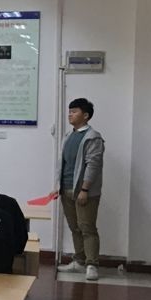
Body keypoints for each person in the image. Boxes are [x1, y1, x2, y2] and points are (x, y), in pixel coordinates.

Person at [50, 98, 105, 282]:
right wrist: (57, 187)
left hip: (84, 192)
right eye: (69, 111)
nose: (70, 114)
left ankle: (92, 264)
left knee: (87, 227)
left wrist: (84, 189)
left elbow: (93, 165)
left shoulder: (92, 137)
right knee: (74, 227)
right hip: (66, 189)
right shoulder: (69, 136)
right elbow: (63, 164)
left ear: (86, 115)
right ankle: (79, 261)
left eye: (74, 111)